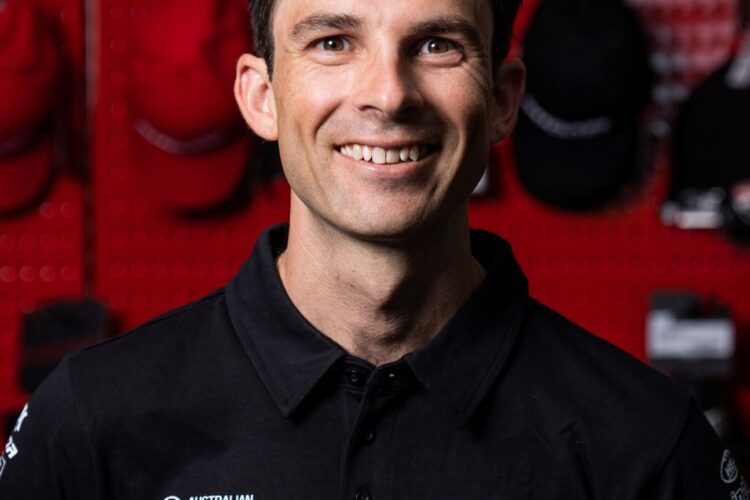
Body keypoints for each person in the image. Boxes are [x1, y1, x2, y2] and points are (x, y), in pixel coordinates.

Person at [1, 0, 746, 498]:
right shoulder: (91, 420)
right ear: (260, 95)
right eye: (333, 42)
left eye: (436, 44)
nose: (388, 95)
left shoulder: (644, 443)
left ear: (502, 100)